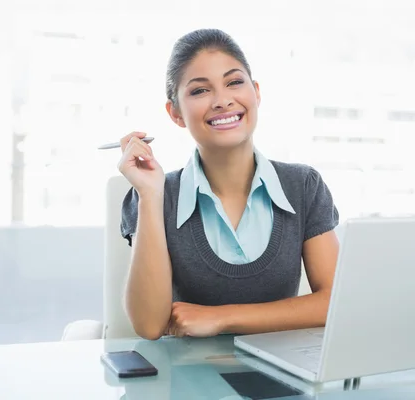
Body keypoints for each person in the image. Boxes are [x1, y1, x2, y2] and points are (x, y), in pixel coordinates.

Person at [117, 28, 340, 340]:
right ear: (176, 113)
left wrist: (222, 317)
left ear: (256, 93)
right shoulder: (156, 195)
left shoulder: (303, 186)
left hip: (282, 379)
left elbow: (334, 304)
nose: (222, 101)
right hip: (189, 381)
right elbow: (149, 326)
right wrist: (150, 195)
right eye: (199, 91)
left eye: (234, 82)